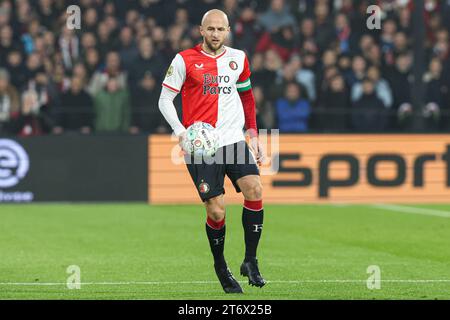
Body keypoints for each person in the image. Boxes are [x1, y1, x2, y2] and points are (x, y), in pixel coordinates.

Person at [158, 9, 266, 294]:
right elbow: (165, 100)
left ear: (228, 30)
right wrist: (181, 132)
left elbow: (247, 97)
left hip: (232, 139)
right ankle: (221, 267)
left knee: (254, 189)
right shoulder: (184, 60)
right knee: (216, 211)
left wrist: (253, 133)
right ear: (201, 30)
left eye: (221, 29)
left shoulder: (238, 58)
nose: (216, 34)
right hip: (202, 146)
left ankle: (250, 261)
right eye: (211, 29)